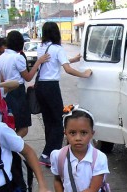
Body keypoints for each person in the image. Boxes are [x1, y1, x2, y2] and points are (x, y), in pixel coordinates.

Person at [45, 105, 116, 192]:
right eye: (72, 133)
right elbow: (58, 179)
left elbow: (92, 191)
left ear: (92, 133)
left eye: (84, 133)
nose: (78, 138)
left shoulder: (99, 158)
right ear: (65, 132)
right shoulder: (58, 156)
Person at [35, 22, 92, 166]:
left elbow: (55, 63)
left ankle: (48, 155)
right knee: (58, 122)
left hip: (40, 86)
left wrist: (73, 59)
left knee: (49, 121)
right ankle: (48, 154)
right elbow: (67, 69)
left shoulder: (41, 47)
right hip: (51, 87)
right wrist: (83, 74)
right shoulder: (57, 48)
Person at [0, 30, 50, 138]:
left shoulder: (1, 57)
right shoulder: (18, 57)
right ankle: (11, 146)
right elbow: (28, 77)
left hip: (5, 93)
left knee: (10, 124)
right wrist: (38, 62)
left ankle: (10, 146)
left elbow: (1, 78)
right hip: (18, 93)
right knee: (23, 127)